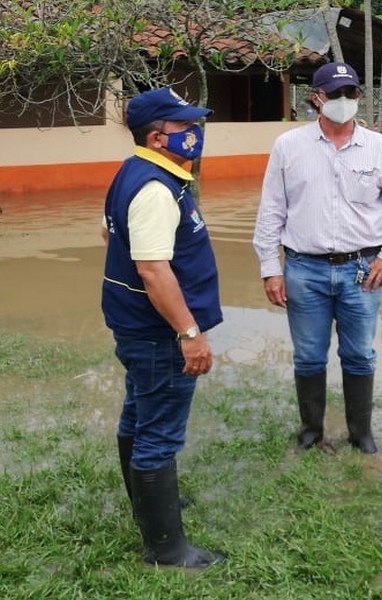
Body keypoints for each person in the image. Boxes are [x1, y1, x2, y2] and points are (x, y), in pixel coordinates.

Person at [253, 62, 382, 455]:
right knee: (309, 354)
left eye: (352, 94)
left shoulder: (380, 149)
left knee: (359, 354)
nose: (345, 102)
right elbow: (271, 212)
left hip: (363, 271)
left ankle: (360, 434)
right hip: (303, 269)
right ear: (316, 98)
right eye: (336, 94)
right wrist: (269, 269)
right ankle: (311, 432)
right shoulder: (289, 147)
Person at [102, 87, 225, 568]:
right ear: (157, 138)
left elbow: (109, 231)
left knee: (138, 416)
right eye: (184, 127)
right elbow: (154, 270)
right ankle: (167, 551)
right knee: (158, 433)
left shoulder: (137, 172)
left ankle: (148, 506)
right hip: (158, 333)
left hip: (135, 325)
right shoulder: (154, 188)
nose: (195, 133)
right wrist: (189, 334)